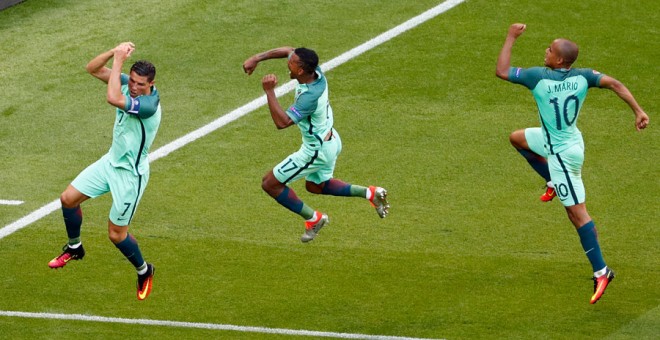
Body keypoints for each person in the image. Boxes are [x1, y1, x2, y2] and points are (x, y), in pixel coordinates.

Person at [496, 24, 649, 304]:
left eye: (550, 49)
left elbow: (502, 71)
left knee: (577, 215)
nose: (546, 51)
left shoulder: (537, 78)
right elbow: (615, 84)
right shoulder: (583, 77)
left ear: (558, 61)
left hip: (562, 155)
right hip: (567, 140)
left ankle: (602, 271)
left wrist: (511, 37)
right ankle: (552, 181)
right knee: (517, 138)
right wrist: (638, 110)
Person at [48, 42, 162, 301]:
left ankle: (144, 270)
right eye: (132, 81)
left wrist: (119, 63)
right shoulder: (127, 83)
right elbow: (92, 68)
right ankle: (75, 247)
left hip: (130, 176)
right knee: (68, 199)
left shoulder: (149, 105)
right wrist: (114, 52)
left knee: (115, 234)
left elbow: (113, 98)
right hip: (110, 162)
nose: (134, 87)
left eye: (140, 84)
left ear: (152, 84)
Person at [242, 46, 390, 243]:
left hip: (315, 150)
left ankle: (314, 219)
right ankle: (370, 193)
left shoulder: (309, 98)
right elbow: (289, 50)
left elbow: (282, 122)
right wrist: (257, 58)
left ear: (301, 71)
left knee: (270, 183)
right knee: (315, 185)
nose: (288, 63)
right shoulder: (315, 72)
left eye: (291, 64)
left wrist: (269, 92)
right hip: (332, 140)